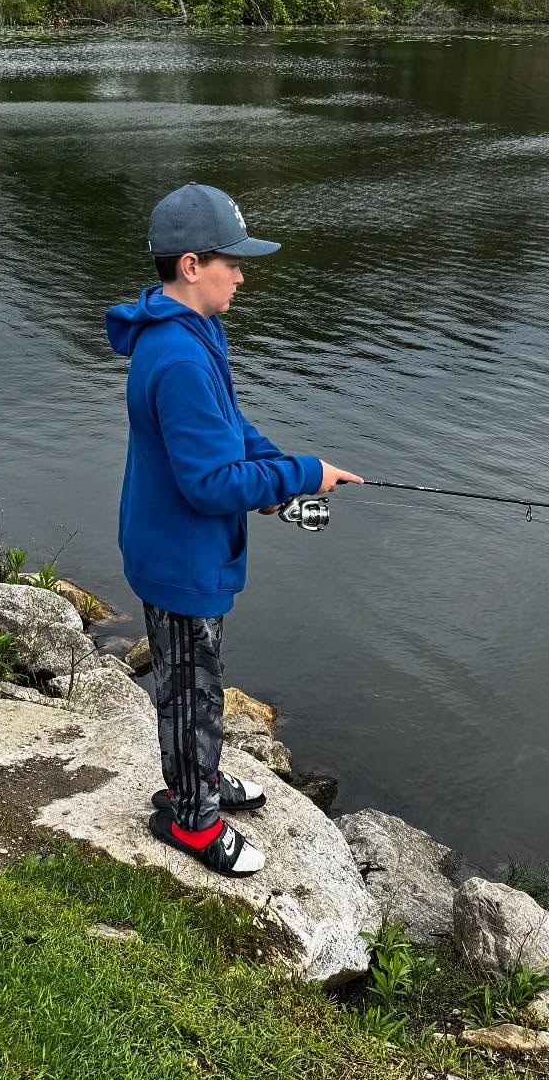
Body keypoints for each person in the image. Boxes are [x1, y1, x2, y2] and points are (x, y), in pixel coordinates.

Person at [105, 184, 362, 877]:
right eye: (233, 262)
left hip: (174, 546)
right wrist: (302, 476)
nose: (242, 275)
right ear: (192, 265)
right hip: (181, 560)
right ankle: (191, 821)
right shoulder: (180, 358)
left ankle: (196, 781)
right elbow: (211, 484)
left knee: (193, 682)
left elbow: (228, 431)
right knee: (192, 688)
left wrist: (279, 465)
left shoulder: (190, 331)